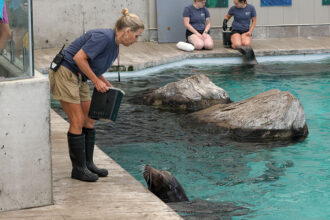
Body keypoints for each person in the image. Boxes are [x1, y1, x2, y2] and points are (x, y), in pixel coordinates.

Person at [49, 8, 144, 182]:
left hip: (80, 77)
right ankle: (78, 170)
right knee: (77, 120)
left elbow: (92, 65)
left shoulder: (114, 45)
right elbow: (79, 58)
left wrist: (104, 82)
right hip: (66, 72)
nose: (137, 40)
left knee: (89, 120)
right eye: (137, 36)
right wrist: (96, 81)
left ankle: (88, 164)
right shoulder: (104, 37)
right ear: (128, 32)